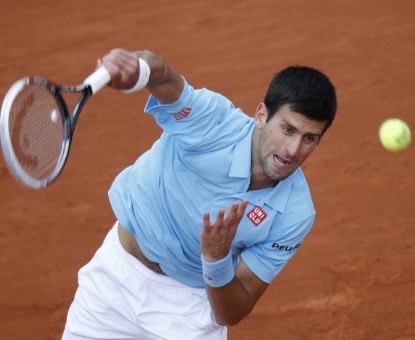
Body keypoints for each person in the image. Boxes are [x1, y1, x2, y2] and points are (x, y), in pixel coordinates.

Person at [62, 48, 337, 340]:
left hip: (189, 313)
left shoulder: (296, 213)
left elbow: (233, 312)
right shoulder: (213, 122)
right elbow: (162, 74)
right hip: (113, 283)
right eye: (287, 129)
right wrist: (136, 67)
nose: (293, 150)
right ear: (261, 115)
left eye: (309, 139)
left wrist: (216, 259)